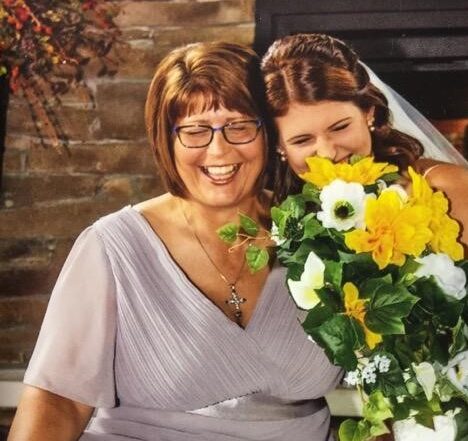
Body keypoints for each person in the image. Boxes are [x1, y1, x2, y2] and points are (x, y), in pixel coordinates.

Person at [8, 41, 342, 441]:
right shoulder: (112, 247)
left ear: (269, 133)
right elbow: (57, 402)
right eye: (195, 130)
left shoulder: (324, 233)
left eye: (239, 126)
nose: (218, 150)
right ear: (166, 140)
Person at [261, 33, 468, 249]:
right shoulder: (276, 220)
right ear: (279, 145)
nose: (326, 153)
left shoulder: (445, 187)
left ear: (369, 113)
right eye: (302, 140)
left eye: (340, 127)